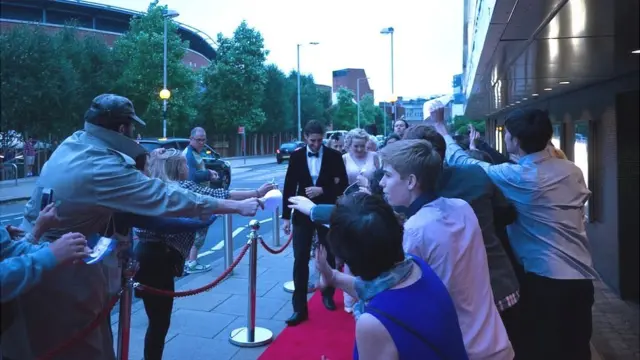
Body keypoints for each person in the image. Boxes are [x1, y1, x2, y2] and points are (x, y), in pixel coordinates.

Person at [4, 94, 262, 360]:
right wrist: (235, 208)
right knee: (84, 348)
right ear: (121, 128)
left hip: (48, 259)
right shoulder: (102, 165)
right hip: (63, 274)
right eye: (132, 127)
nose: (135, 134)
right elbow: (166, 199)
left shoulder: (75, 144)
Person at [433, 107, 596, 360]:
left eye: (507, 134)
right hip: (582, 279)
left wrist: (441, 128)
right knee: (577, 349)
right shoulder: (571, 170)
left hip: (546, 281)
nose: (505, 137)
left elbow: (465, 164)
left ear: (516, 141)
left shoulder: (521, 177)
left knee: (544, 350)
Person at [379, 139, 514, 359]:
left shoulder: (416, 228)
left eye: (388, 175)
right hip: (494, 341)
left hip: (461, 348)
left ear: (411, 181)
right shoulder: (462, 207)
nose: (382, 183)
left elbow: (404, 298)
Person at [313, 193, 469, 360]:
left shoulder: (372, 323)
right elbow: (381, 292)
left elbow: (384, 304)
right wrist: (333, 277)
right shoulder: (416, 266)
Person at [281, 120, 348, 326]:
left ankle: (327, 294)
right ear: (305, 138)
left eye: (320, 140)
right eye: (313, 141)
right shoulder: (297, 156)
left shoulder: (335, 156)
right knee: (300, 258)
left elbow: (344, 185)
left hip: (326, 212)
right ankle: (299, 308)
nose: (317, 144)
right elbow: (289, 185)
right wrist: (286, 217)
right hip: (301, 214)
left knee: (327, 254)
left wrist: (323, 191)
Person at [182, 127, 220, 274]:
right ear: (191, 139)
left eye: (204, 139)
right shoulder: (189, 155)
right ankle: (191, 263)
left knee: (195, 230)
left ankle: (188, 261)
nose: (202, 142)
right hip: (196, 198)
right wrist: (208, 174)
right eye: (199, 140)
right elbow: (192, 177)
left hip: (196, 197)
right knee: (199, 230)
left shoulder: (194, 153)